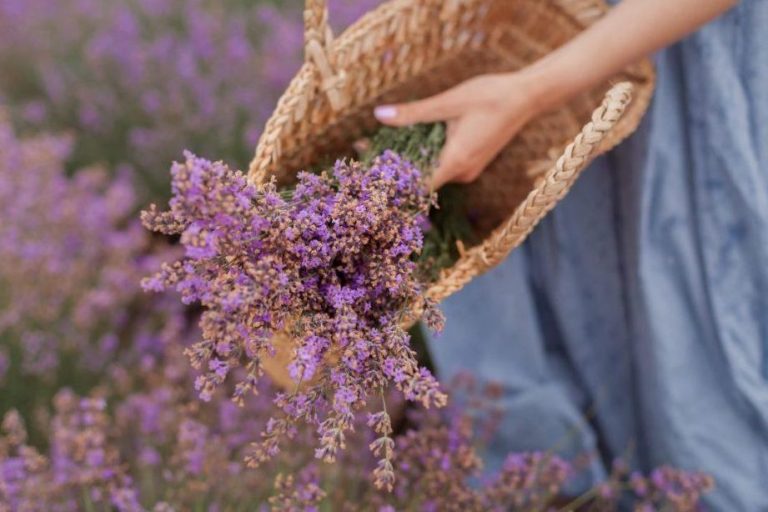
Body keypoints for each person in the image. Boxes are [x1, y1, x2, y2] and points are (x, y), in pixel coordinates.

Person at [374, 0, 767, 509]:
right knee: (569, 336)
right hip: (524, 52)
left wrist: (532, 90)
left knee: (692, 370)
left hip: (670, 59)